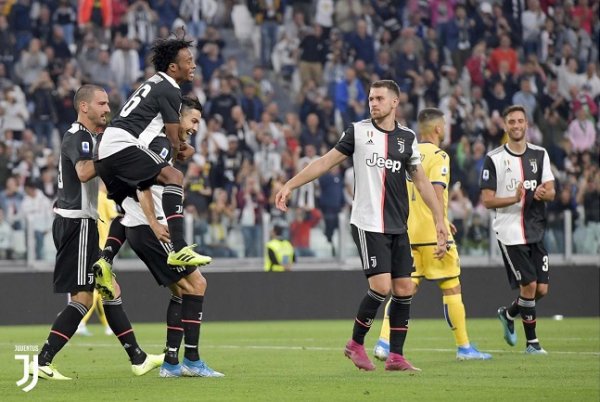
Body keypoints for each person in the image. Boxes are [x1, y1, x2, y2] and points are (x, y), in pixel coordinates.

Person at [275, 80, 449, 372]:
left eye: (380, 98)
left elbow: (420, 180)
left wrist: (439, 219)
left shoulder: (407, 138)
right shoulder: (358, 131)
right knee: (381, 286)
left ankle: (396, 356)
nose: (373, 103)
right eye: (371, 98)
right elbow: (325, 162)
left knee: (404, 288)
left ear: (395, 102)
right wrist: (290, 185)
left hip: (398, 225)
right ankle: (355, 344)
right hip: (368, 222)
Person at [32, 85, 163, 381]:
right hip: (76, 224)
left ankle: (138, 358)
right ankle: (42, 360)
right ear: (84, 107)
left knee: (109, 288)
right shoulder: (78, 136)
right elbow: (82, 172)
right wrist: (120, 158)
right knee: (82, 299)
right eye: (101, 103)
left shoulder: (91, 137)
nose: (107, 108)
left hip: (86, 224)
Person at [96, 96, 224, 377]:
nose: (194, 127)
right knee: (197, 284)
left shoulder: (153, 140)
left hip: (137, 225)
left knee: (180, 292)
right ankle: (191, 360)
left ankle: (171, 363)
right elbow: (143, 185)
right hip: (150, 226)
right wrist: (154, 222)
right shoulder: (158, 142)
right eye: (192, 121)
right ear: (177, 117)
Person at [94, 36, 211, 299]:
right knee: (174, 176)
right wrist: (183, 148)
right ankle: (180, 246)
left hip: (106, 152)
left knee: (127, 211)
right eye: (188, 61)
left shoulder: (153, 83)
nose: (193, 65)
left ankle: (105, 260)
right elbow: (173, 137)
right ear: (172, 67)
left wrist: (181, 147)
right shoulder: (170, 89)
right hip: (121, 145)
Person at [372, 108, 492, 361]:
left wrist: (443, 218)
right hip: (433, 235)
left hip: (407, 234)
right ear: (438, 129)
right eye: (444, 125)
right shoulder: (439, 156)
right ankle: (464, 348)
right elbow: (435, 192)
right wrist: (441, 227)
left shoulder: (406, 152)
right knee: (451, 287)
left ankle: (383, 342)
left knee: (403, 290)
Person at [480, 104, 555, 355]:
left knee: (541, 290)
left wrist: (545, 193)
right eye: (511, 122)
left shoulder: (540, 154)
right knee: (530, 286)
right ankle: (532, 344)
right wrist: (513, 198)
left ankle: (508, 313)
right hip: (510, 231)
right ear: (505, 126)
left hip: (536, 229)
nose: (516, 125)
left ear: (526, 124)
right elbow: (487, 200)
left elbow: (551, 189)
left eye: (520, 121)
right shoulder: (494, 158)